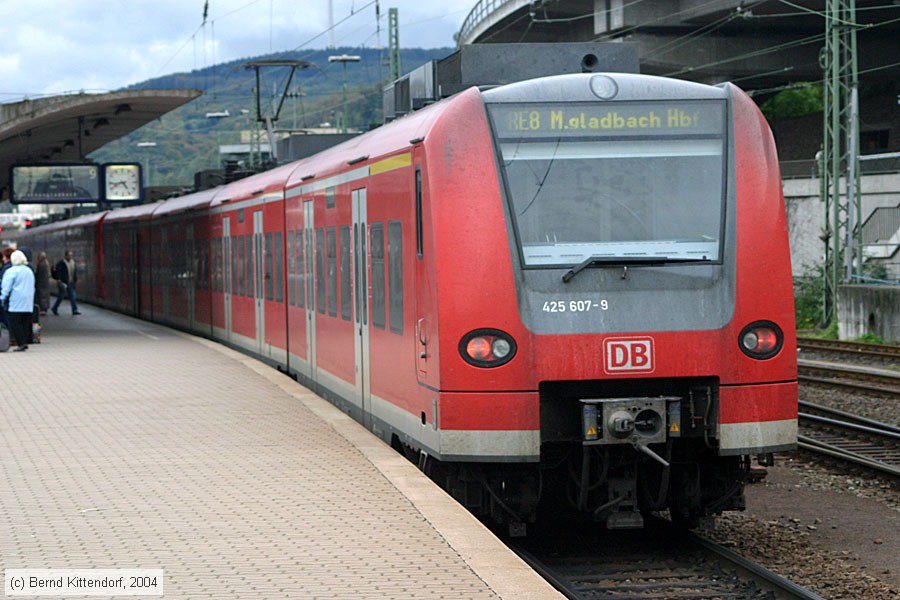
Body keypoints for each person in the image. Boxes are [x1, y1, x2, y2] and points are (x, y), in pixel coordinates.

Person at [1, 250, 35, 351]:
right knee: (25, 322)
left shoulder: (11, 271)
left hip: (16, 302)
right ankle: (24, 341)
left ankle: (21, 343)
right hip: (28, 302)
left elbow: (6, 287)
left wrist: (2, 297)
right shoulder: (29, 271)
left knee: (15, 323)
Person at [52, 249, 81, 316]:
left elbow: (74, 272)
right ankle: (55, 308)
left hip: (71, 282)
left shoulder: (73, 263)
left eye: (71, 255)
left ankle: (75, 310)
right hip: (63, 283)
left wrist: (75, 280)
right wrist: (59, 280)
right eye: (69, 255)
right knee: (61, 297)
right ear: (65, 255)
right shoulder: (61, 263)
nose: (70, 256)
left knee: (72, 296)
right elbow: (58, 272)